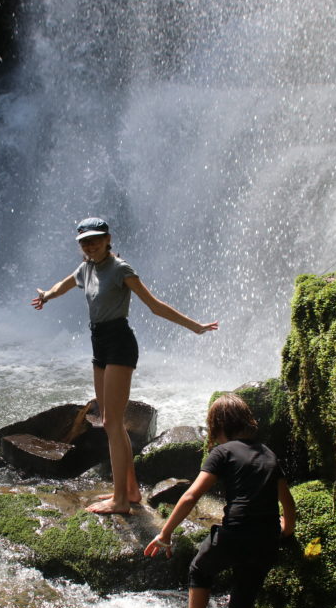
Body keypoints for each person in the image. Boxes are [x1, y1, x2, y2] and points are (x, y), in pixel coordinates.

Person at [31, 217, 218, 515]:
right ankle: (130, 491)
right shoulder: (85, 269)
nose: (90, 245)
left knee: (113, 424)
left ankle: (120, 501)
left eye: (95, 240)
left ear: (108, 239)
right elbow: (62, 286)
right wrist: (46, 296)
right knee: (108, 421)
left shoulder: (120, 269)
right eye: (85, 242)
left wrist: (194, 327)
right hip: (99, 343)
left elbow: (154, 305)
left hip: (119, 342)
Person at [144, 393, 296, 608]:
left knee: (200, 570)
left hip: (235, 533)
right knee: (242, 603)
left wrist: (165, 533)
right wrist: (285, 529)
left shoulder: (222, 453)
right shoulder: (269, 455)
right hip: (266, 540)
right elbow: (288, 502)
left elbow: (190, 496)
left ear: (217, 426)